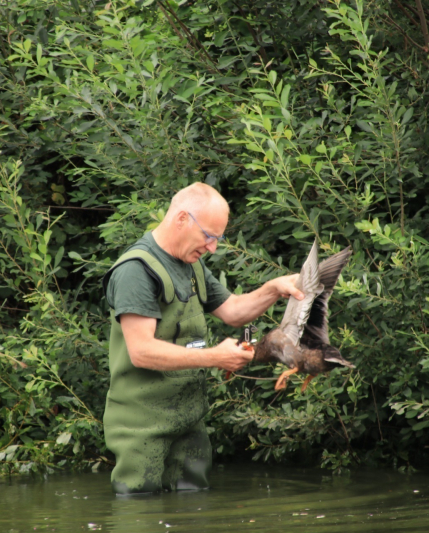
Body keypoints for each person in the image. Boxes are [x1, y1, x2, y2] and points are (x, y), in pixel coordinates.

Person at [102, 183, 304, 495]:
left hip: (188, 420)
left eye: (217, 239)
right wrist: (214, 357)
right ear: (182, 218)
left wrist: (273, 289)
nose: (212, 248)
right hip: (140, 426)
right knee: (139, 508)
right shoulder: (135, 271)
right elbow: (141, 352)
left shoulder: (191, 264)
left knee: (193, 506)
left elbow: (233, 311)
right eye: (209, 236)